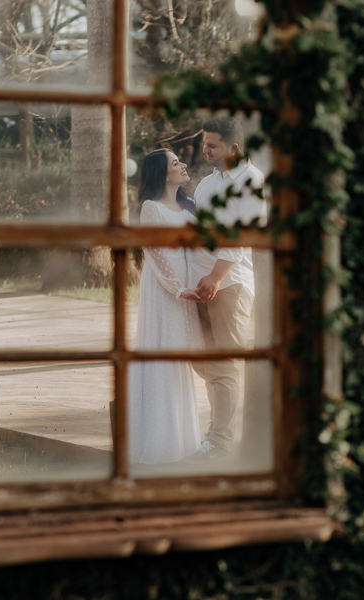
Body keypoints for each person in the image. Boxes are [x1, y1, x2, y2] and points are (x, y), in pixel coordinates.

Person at [187, 116, 267, 463]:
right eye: (205, 144)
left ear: (233, 147)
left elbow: (244, 235)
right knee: (205, 363)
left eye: (213, 145)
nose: (205, 150)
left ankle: (219, 442)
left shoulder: (251, 180)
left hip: (229, 285)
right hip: (200, 285)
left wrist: (217, 277)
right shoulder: (206, 184)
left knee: (224, 365)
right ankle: (214, 435)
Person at [127, 149, 203, 465]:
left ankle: (185, 440)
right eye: (175, 163)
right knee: (164, 356)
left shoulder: (189, 208)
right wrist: (179, 288)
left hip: (187, 290)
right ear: (163, 173)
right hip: (165, 290)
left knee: (180, 360)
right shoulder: (151, 208)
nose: (183, 165)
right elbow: (155, 255)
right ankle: (160, 443)